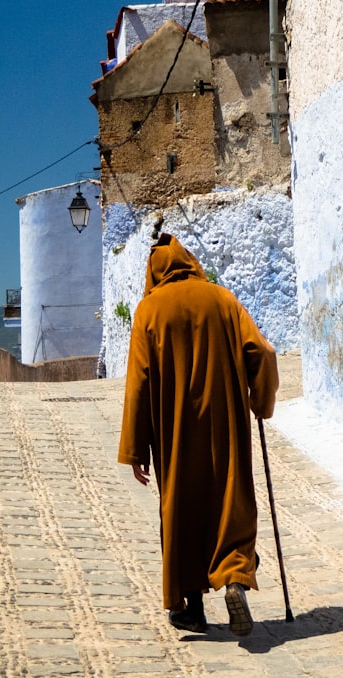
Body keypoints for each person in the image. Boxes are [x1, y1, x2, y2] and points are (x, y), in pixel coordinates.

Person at [118, 233, 279, 636]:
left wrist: (136, 449)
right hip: (225, 423)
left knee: (182, 509)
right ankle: (236, 577)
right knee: (231, 500)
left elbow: (139, 382)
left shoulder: (148, 311)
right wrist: (261, 402)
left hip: (173, 431)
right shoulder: (223, 300)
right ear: (189, 262)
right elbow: (263, 353)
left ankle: (190, 608)